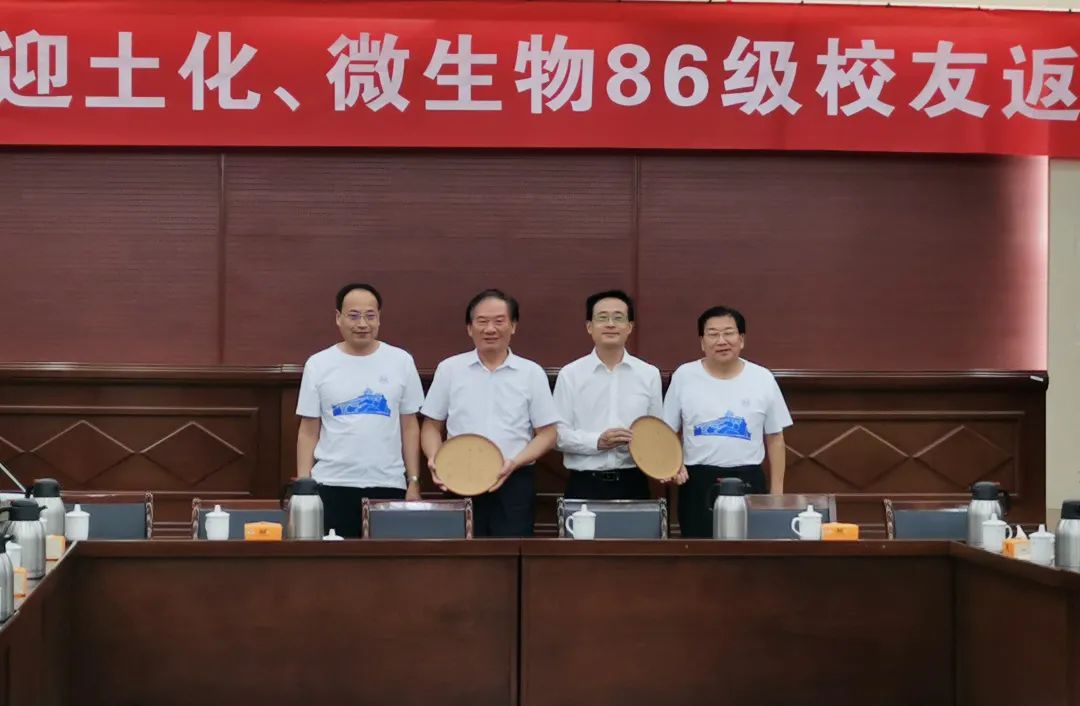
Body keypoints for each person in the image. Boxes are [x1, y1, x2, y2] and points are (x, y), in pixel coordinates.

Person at [420, 289, 560, 537]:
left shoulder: (531, 373)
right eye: (482, 321)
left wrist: (514, 463)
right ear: (469, 328)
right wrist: (435, 459)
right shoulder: (450, 369)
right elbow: (431, 425)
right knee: (461, 553)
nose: (490, 329)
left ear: (513, 326)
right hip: (459, 476)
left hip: (514, 481)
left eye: (499, 321)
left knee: (510, 554)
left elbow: (548, 434)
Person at [296, 283, 424, 537]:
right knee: (333, 559)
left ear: (379, 318)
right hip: (331, 483)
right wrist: (304, 486)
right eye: (353, 316)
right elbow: (308, 431)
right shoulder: (318, 364)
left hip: (388, 483)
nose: (362, 324)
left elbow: (409, 426)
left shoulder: (401, 361)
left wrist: (413, 481)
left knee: (386, 559)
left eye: (370, 316)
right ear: (338, 318)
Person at [662, 306, 793, 538]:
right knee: (699, 551)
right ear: (702, 342)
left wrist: (776, 494)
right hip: (697, 482)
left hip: (749, 480)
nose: (721, 340)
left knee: (749, 553)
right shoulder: (684, 376)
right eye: (713, 334)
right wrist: (674, 464)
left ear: (741, 339)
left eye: (728, 333)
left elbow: (775, 438)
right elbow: (666, 432)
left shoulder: (762, 377)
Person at [554, 289, 685, 500]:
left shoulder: (648, 374)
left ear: (629, 327)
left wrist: (669, 464)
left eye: (618, 318)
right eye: (602, 318)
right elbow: (557, 435)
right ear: (589, 327)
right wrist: (597, 441)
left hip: (633, 482)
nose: (610, 324)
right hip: (584, 483)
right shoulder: (570, 374)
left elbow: (655, 433)